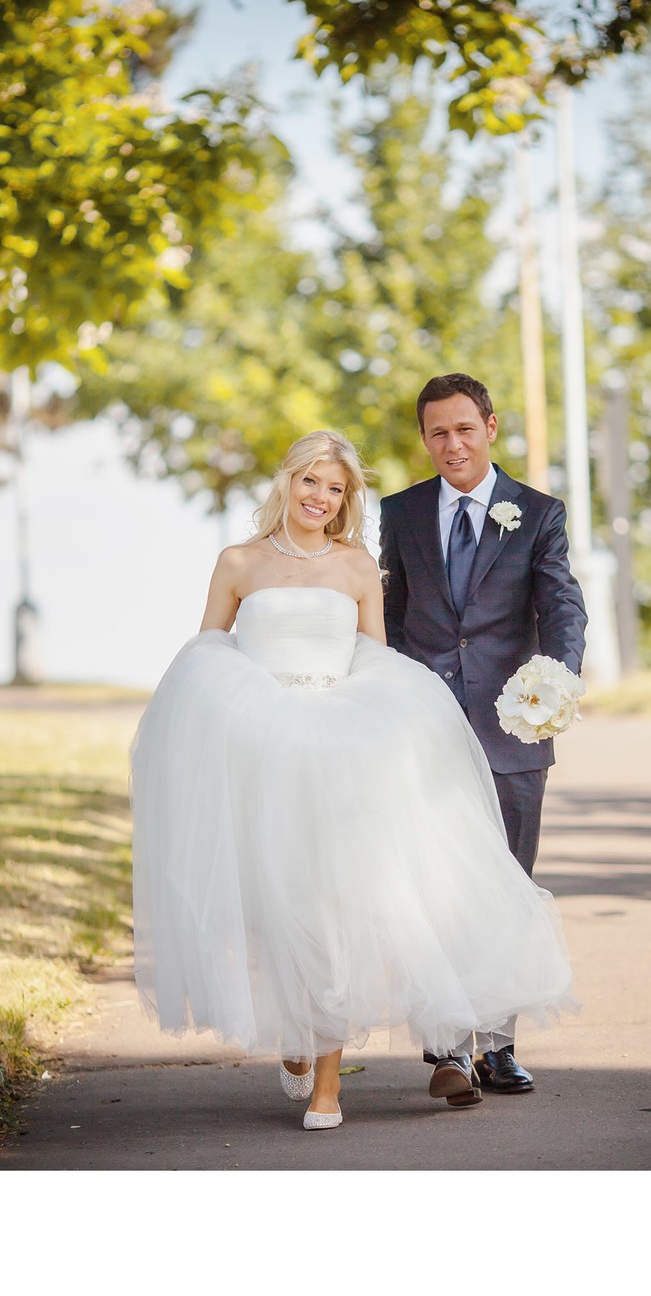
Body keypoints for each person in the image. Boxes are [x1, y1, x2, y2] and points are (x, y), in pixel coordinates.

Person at [131, 430, 578, 1132]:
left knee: (336, 907)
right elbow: (208, 651)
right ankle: (297, 1036)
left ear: (346, 500)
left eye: (334, 488)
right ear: (287, 483)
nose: (320, 497)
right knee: (277, 906)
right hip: (263, 748)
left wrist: (385, 722)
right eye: (310, 481)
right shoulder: (237, 562)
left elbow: (376, 658)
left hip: (339, 748)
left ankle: (328, 1086)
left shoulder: (356, 566)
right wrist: (244, 710)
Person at [379, 374, 587, 1102]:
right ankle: (447, 1048)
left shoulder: (537, 513)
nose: (452, 444)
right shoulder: (400, 512)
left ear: (490, 427)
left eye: (464, 428)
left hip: (511, 729)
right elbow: (391, 617)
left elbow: (561, 606)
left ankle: (497, 1045)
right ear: (424, 438)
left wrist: (555, 684)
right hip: (425, 732)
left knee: (506, 887)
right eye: (437, 432)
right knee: (435, 883)